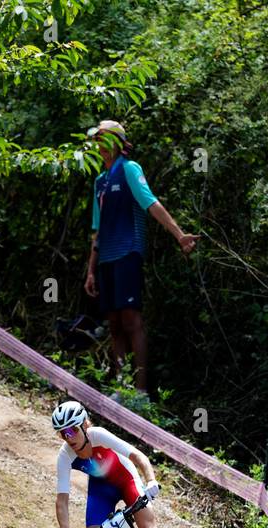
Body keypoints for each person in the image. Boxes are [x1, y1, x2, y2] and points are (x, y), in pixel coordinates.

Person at [83, 120, 200, 405]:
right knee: (113, 323)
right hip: (106, 258)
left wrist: (179, 234)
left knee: (131, 320)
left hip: (128, 252)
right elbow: (97, 231)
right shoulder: (100, 181)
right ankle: (120, 386)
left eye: (101, 139)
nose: (98, 145)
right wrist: (90, 270)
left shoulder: (130, 169)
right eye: (96, 140)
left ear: (114, 141)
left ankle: (141, 391)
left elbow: (151, 203)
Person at [51, 399, 202, 528]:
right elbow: (62, 500)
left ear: (85, 425)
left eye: (72, 430)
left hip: (126, 481)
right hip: (101, 491)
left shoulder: (99, 435)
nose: (68, 438)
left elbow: (138, 456)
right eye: (62, 433)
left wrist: (150, 480)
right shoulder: (64, 455)